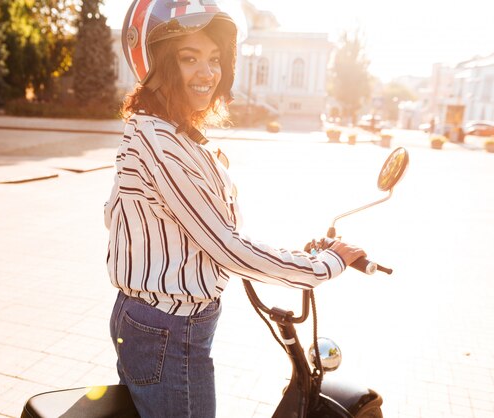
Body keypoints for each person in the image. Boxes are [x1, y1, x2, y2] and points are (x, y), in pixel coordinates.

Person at [105, 1, 366, 417]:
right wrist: (322, 267)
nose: (208, 73)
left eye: (214, 59)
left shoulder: (160, 131)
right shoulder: (162, 142)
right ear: (156, 64)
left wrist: (293, 255)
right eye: (189, 58)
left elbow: (121, 215)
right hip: (169, 328)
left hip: (153, 320)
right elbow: (225, 245)